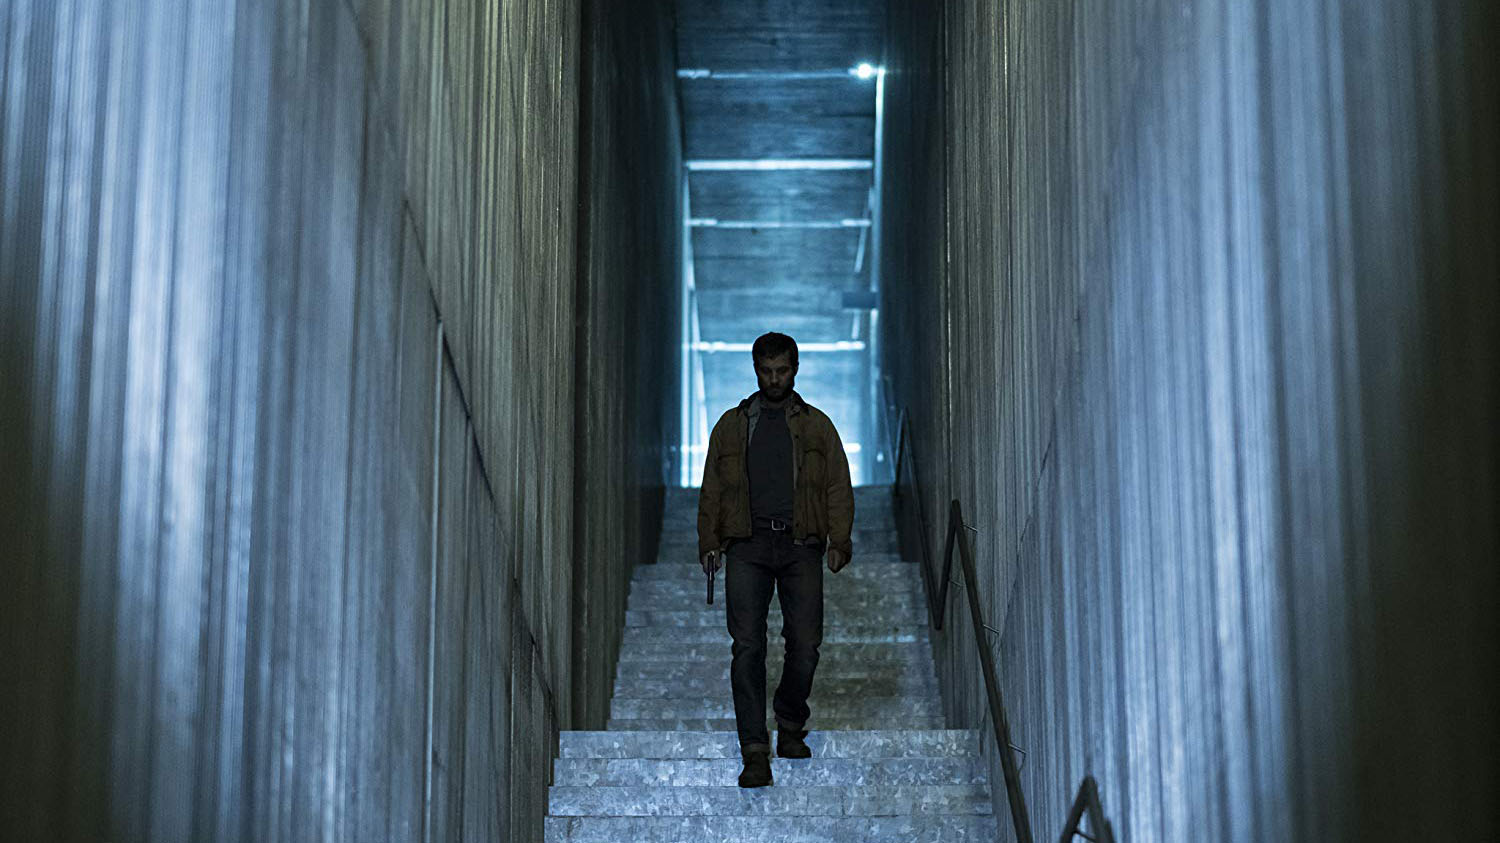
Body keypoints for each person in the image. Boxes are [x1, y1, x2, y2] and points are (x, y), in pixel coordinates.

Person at [696, 331, 855, 788]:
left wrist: (839, 540)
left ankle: (789, 721)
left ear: (795, 370)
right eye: (766, 371)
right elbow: (712, 488)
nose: (774, 379)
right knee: (747, 647)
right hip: (746, 545)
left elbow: (837, 484)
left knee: (805, 644)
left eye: (782, 371)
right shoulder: (731, 426)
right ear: (755, 370)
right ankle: (754, 751)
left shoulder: (817, 426)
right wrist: (709, 541)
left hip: (801, 544)